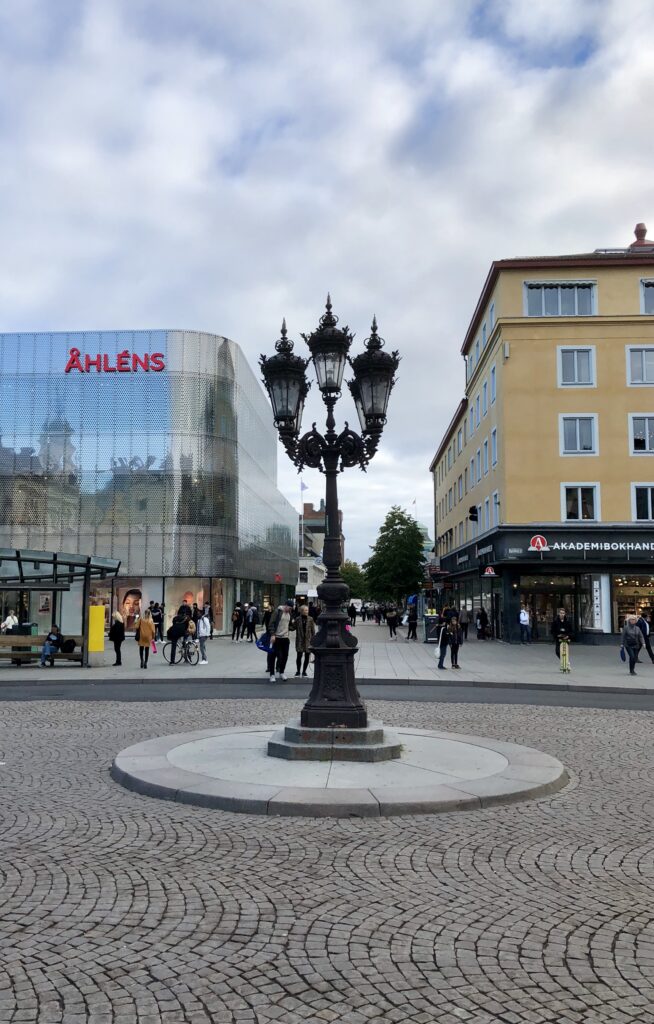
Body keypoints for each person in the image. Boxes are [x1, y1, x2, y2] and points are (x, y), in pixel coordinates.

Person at [267, 603, 292, 681]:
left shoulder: (289, 613)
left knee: (285, 656)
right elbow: (271, 624)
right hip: (276, 637)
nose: (290, 609)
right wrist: (273, 634)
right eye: (290, 608)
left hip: (285, 638)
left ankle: (282, 672)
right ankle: (272, 674)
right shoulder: (277, 612)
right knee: (274, 656)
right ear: (286, 606)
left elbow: (289, 625)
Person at [293, 604, 315, 676]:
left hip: (308, 641)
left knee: (307, 656)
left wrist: (313, 641)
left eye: (307, 610)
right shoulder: (297, 619)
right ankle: (298, 671)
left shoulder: (310, 619)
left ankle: (304, 671)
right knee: (299, 656)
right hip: (299, 641)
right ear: (302, 611)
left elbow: (313, 631)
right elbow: (293, 628)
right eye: (305, 610)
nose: (307, 611)